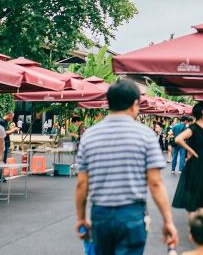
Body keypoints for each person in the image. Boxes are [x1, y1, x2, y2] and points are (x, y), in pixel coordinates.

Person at [75, 79, 178, 254]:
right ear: (134, 104)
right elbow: (155, 183)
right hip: (131, 214)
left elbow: (82, 184)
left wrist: (81, 218)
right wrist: (168, 221)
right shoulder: (146, 135)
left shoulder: (89, 135)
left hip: (100, 214)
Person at [172, 102, 203, 218]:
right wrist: (191, 150)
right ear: (199, 112)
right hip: (196, 161)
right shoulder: (193, 128)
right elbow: (178, 139)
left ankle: (201, 218)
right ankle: (192, 223)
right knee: (194, 188)